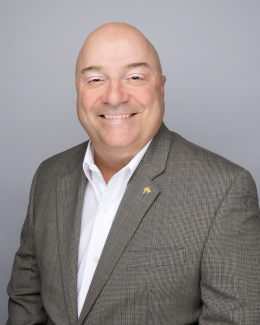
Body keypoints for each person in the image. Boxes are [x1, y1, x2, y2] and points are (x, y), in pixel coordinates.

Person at [6, 22, 260, 325]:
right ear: (78, 89)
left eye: (135, 77)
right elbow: (26, 303)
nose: (114, 96)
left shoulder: (224, 190)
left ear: (161, 87)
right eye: (96, 79)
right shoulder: (48, 177)